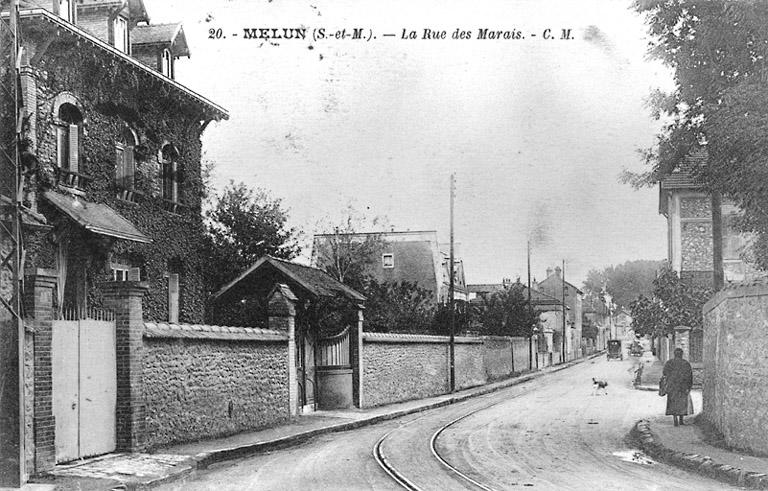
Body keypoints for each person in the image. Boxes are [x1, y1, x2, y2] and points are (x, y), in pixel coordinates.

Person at [663, 348, 693, 426]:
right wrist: (689, 387)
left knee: (673, 402)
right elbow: (689, 376)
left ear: (674, 354)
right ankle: (681, 420)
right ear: (682, 354)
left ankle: (675, 419)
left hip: (672, 386)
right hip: (682, 387)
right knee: (682, 403)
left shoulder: (669, 363)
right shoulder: (686, 363)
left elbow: (664, 373)